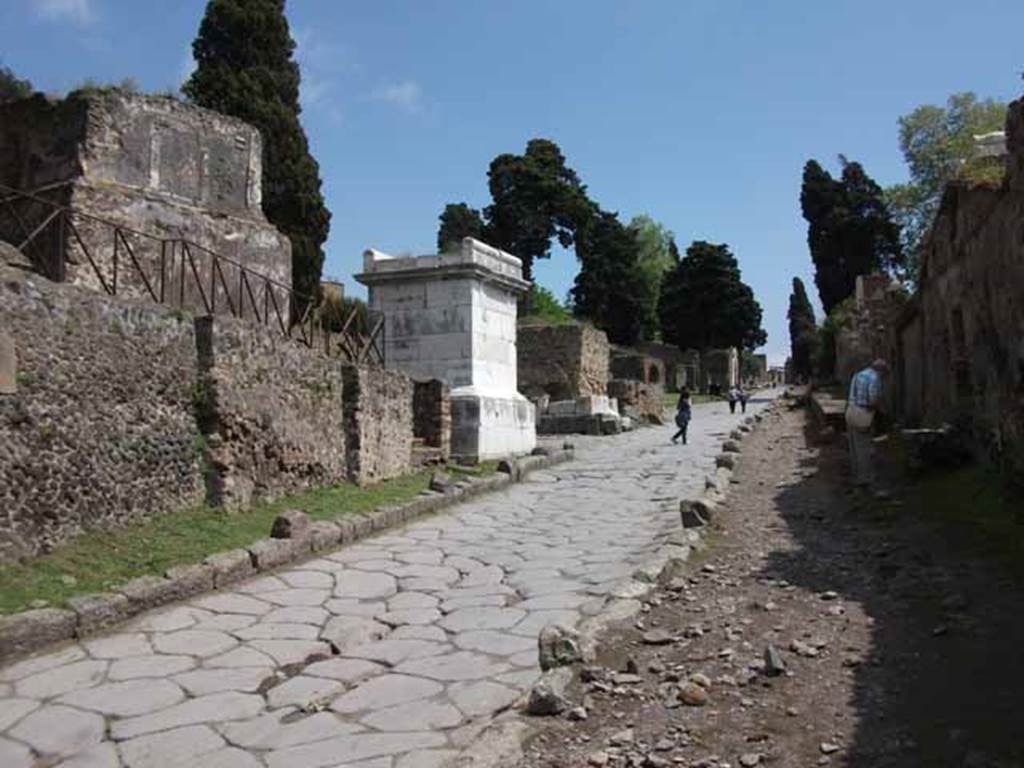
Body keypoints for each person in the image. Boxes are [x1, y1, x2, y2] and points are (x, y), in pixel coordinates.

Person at [845, 358, 888, 490]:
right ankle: (866, 479)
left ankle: (856, 476)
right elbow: (873, 399)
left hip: (850, 412)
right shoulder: (875, 378)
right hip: (863, 414)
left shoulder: (857, 375)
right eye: (885, 374)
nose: (884, 377)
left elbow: (852, 395)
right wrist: (882, 412)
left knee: (854, 448)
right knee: (865, 448)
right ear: (880, 370)